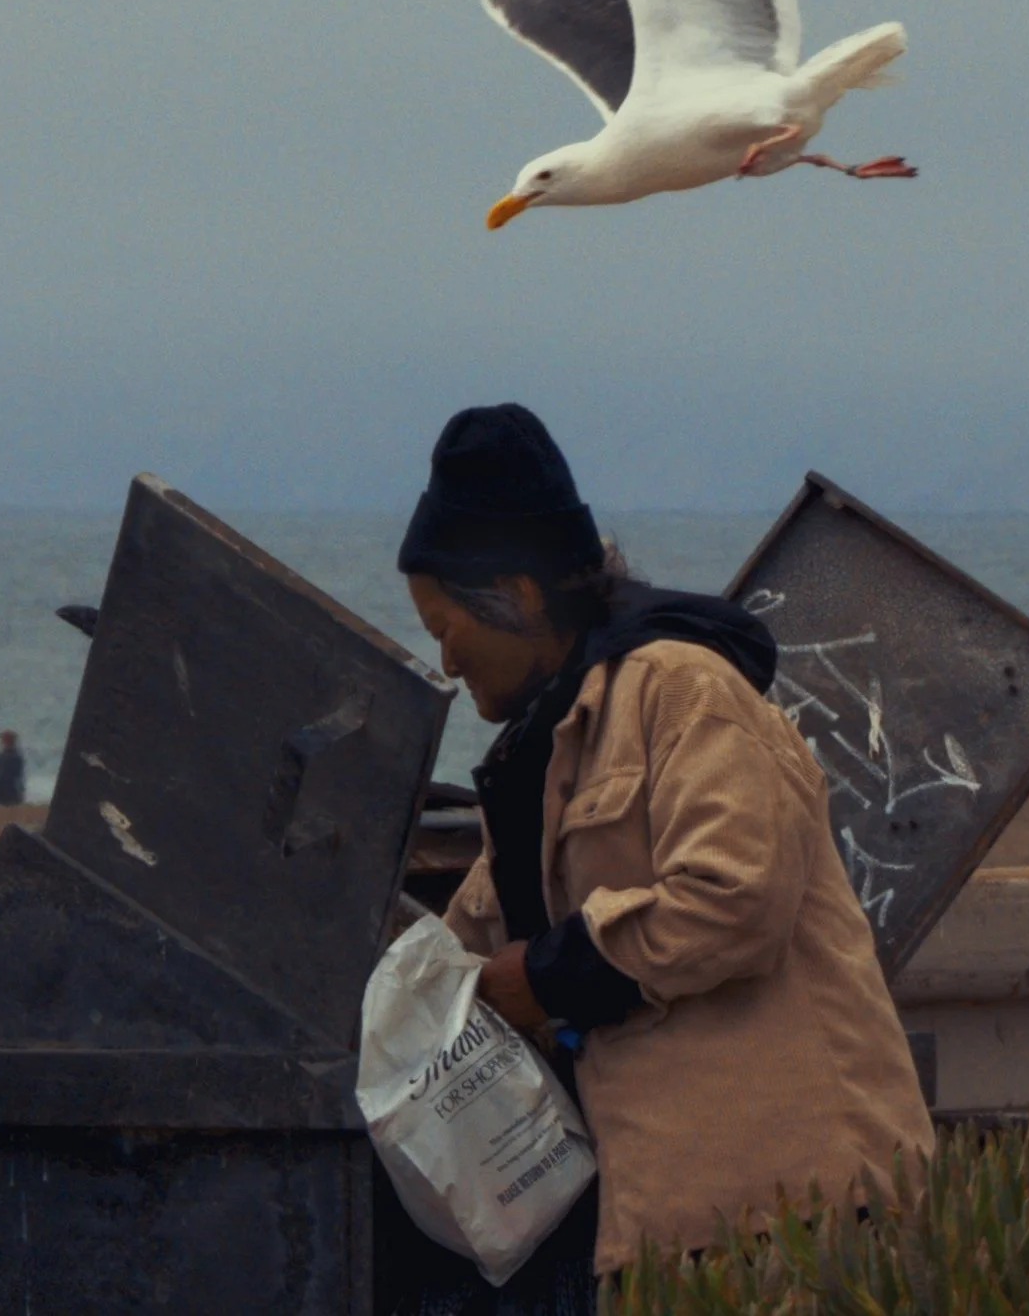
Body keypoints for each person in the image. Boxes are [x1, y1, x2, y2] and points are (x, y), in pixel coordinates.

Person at [391, 404, 933, 1305]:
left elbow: (735, 899)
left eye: (446, 626)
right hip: (669, 1233)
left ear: (520, 595)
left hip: (796, 1220)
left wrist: (553, 977)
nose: (444, 661)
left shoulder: (681, 690)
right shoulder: (549, 744)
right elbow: (475, 935)